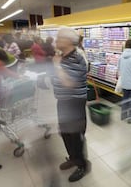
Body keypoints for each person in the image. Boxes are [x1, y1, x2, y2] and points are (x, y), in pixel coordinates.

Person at [52, 27, 89, 182]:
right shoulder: (63, 56)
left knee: (76, 135)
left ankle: (82, 165)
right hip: (63, 101)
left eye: (59, 38)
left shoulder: (78, 57)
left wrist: (57, 66)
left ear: (68, 41)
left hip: (74, 102)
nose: (56, 40)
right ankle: (73, 158)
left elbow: (69, 83)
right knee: (65, 132)